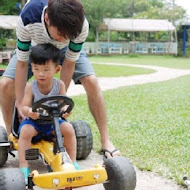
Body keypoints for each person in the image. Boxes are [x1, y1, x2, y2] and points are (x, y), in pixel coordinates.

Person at [0, 0, 120, 159]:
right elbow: (22, 64)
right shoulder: (27, 18)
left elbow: (69, 63)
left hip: (65, 53)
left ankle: (106, 141)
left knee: (92, 81)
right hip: (35, 49)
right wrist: (21, 101)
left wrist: (60, 102)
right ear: (47, 19)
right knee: (6, 83)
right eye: (61, 34)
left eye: (68, 36)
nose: (63, 39)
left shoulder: (79, 25)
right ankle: (11, 136)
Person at [18, 43, 80, 183]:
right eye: (36, 69)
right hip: (35, 122)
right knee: (25, 131)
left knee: (69, 129)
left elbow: (64, 103)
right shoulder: (31, 87)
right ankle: (23, 165)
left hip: (54, 122)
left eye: (46, 70)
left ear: (57, 69)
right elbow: (24, 107)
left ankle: (72, 161)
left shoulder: (60, 85)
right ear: (32, 68)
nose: (40, 74)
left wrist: (65, 111)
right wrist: (30, 112)